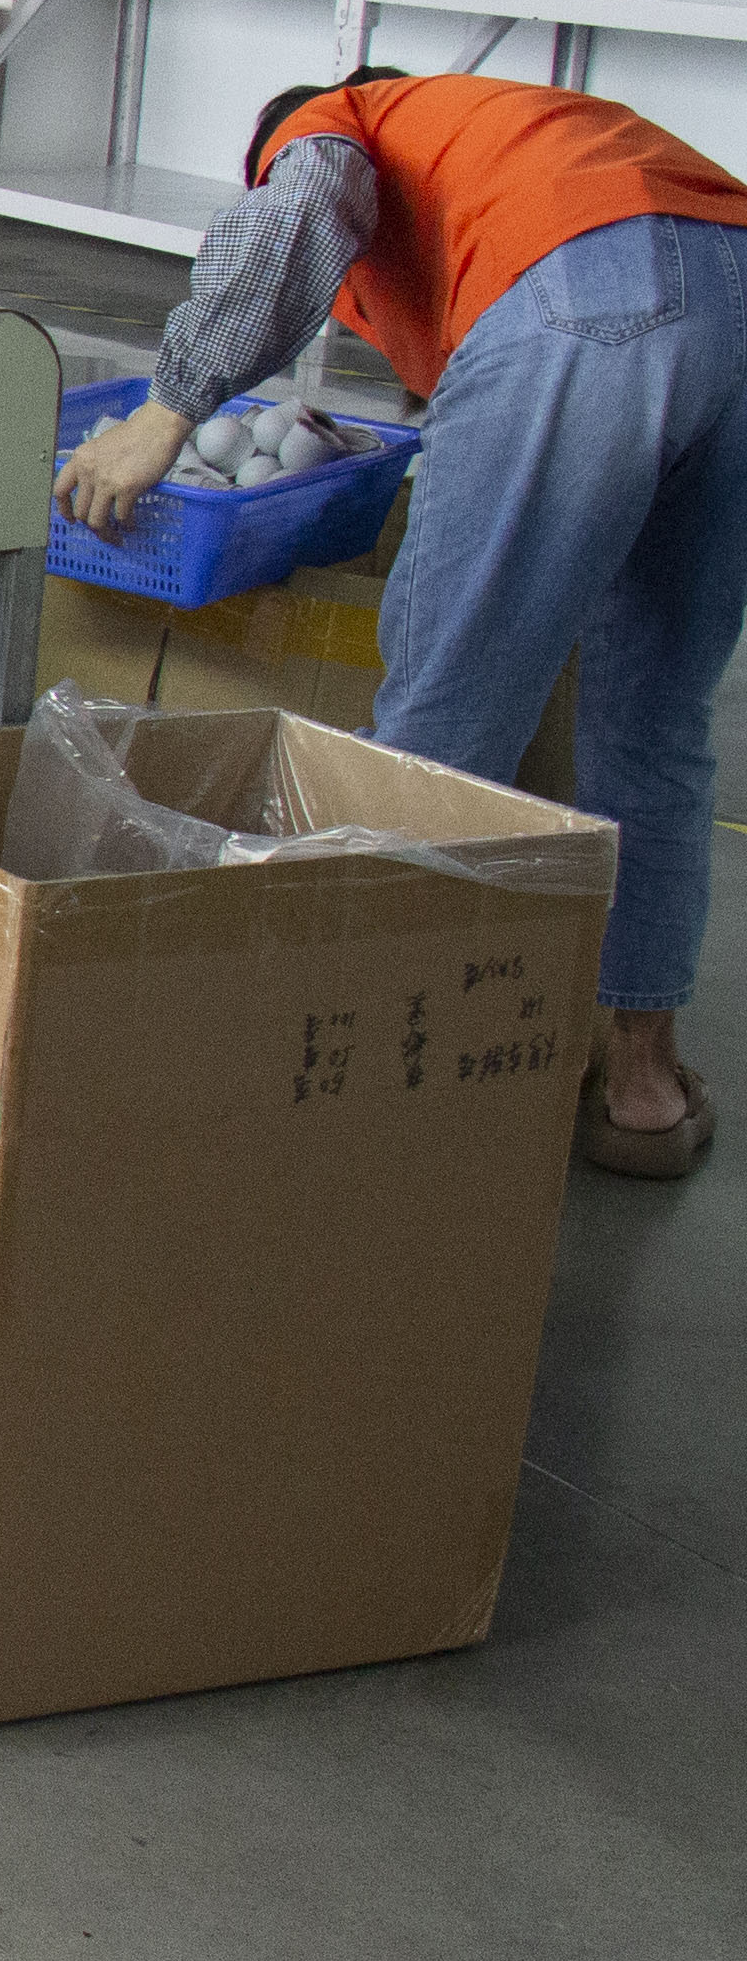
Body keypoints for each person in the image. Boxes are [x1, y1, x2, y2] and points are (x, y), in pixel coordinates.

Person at [58, 66, 747, 1175]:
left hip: (589, 299)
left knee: (446, 719)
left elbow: (293, 217)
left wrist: (168, 411)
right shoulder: (516, 134)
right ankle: (644, 1088)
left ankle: (359, 1070)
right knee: (656, 719)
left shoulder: (339, 123)